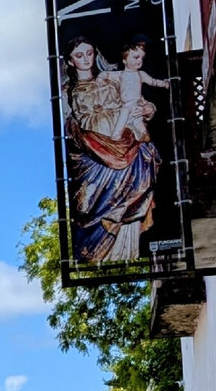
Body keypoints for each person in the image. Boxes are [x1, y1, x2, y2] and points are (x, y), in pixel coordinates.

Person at [64, 37, 161, 263]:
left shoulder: (113, 78)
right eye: (79, 55)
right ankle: (103, 251)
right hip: (93, 154)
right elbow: (67, 124)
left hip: (127, 145)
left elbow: (138, 101)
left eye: (89, 53)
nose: (86, 59)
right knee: (89, 204)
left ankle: (126, 250)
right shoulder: (67, 90)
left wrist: (148, 109)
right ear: (70, 61)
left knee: (130, 194)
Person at [98, 39, 168, 141]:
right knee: (130, 117)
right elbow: (107, 74)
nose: (139, 61)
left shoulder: (141, 74)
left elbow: (153, 81)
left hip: (137, 103)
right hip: (126, 104)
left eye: (142, 58)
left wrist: (164, 84)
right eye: (136, 57)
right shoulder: (120, 75)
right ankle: (124, 134)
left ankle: (124, 134)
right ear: (124, 60)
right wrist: (100, 77)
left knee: (136, 119)